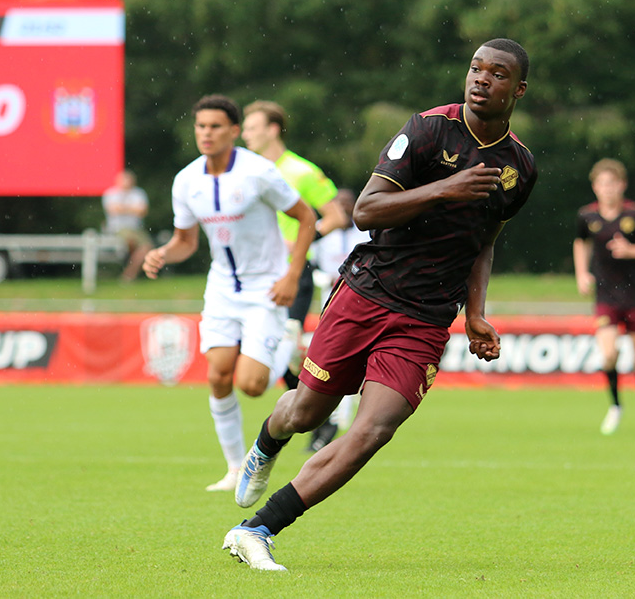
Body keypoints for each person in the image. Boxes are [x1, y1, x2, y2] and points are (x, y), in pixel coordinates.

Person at [221, 38, 536, 571]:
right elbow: (366, 211)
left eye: (497, 73)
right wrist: (444, 189)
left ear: (519, 89)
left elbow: (484, 241)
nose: (481, 79)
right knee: (304, 411)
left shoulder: (519, 167)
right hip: (366, 294)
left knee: (373, 430)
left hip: (428, 317)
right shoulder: (428, 130)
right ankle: (266, 445)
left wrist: (476, 312)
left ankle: (256, 530)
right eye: (476, 68)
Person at [142, 94, 317, 493]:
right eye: (201, 126)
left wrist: (291, 275)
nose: (207, 133)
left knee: (251, 385)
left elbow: (306, 217)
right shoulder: (186, 180)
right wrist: (163, 254)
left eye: (216, 126)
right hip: (221, 288)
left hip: (266, 288)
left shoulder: (259, 172)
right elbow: (185, 241)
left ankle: (285, 347)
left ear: (234, 131)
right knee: (218, 376)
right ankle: (236, 468)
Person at [241, 100, 349, 450]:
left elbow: (335, 218)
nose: (244, 133)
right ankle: (319, 415)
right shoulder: (243, 171)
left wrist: (299, 241)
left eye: (251, 127)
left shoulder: (301, 171)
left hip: (294, 273)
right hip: (253, 275)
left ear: (272, 129)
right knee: (280, 354)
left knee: (282, 349)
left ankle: (321, 414)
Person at [572, 158, 635, 436]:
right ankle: (615, 406)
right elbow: (580, 242)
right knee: (609, 354)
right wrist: (581, 273)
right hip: (605, 296)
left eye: (612, 183)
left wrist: (631, 251)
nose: (607, 189)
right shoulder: (587, 217)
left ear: (622, 186)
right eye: (602, 184)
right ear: (595, 187)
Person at [304, 188, 372, 449]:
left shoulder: (364, 231)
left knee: (355, 358)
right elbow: (309, 260)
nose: (343, 208)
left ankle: (346, 412)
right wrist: (316, 275)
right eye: (338, 204)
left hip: (360, 302)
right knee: (330, 359)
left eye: (347, 203)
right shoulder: (323, 231)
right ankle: (331, 412)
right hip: (329, 304)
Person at [102, 170, 152, 282]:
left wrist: (123, 208)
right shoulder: (111, 193)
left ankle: (128, 274)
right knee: (132, 243)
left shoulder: (138, 193)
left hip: (136, 228)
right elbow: (113, 210)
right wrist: (133, 209)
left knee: (146, 248)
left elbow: (142, 211)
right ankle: (130, 275)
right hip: (118, 229)